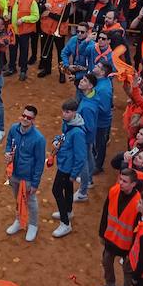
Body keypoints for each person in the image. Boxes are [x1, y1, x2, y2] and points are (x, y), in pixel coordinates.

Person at [95, 168, 142, 286]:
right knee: (106, 261)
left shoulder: (139, 203)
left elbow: (138, 229)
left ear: (133, 184)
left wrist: (133, 250)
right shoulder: (113, 191)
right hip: (111, 239)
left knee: (127, 271)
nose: (121, 183)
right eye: (120, 179)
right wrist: (101, 233)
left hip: (127, 246)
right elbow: (105, 214)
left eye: (125, 181)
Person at [4, 103, 46, 242]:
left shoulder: (39, 139)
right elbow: (9, 143)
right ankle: (18, 220)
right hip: (14, 173)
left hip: (27, 177)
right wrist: (7, 153)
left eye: (29, 117)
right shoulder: (13, 129)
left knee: (31, 201)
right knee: (17, 199)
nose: (25, 119)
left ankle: (33, 225)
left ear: (33, 120)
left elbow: (40, 163)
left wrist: (35, 183)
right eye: (23, 115)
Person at [50, 97, 87, 238]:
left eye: (67, 112)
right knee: (67, 189)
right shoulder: (68, 123)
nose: (64, 114)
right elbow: (63, 136)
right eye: (63, 111)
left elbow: (81, 156)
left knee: (56, 190)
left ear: (74, 112)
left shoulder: (77, 133)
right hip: (64, 163)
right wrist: (56, 140)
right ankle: (69, 211)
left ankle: (65, 223)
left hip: (67, 168)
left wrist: (73, 174)